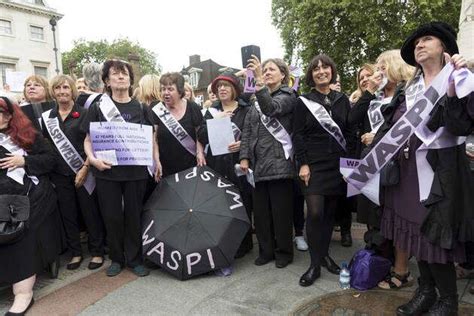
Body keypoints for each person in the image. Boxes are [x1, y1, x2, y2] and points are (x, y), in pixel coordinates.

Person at [368, 22, 473, 315]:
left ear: (444, 48)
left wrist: (453, 94)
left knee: (435, 236)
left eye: (428, 39)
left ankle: (448, 300)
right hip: (406, 173)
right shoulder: (409, 89)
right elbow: (391, 128)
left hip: (442, 174)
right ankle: (426, 292)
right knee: (414, 234)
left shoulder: (460, 79)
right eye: (416, 42)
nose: (420, 45)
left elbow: (463, 125)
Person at [82, 59, 158, 277]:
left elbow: (151, 137)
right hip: (107, 171)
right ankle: (117, 258)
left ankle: (134, 259)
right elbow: (87, 140)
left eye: (125, 73)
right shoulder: (98, 107)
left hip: (136, 172)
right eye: (115, 74)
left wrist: (156, 160)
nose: (121, 77)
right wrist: (92, 160)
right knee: (112, 216)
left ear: (130, 79)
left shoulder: (141, 107)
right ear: (106, 80)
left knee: (134, 215)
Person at [351, 50, 416, 290]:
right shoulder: (373, 96)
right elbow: (352, 119)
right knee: (374, 216)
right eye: (376, 67)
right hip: (372, 163)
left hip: (398, 165)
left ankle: (400, 268)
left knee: (397, 217)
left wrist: (377, 137)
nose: (377, 72)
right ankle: (379, 262)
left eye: (382, 67)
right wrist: (368, 92)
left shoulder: (410, 92)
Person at [293, 54, 356, 286]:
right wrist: (303, 163)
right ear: (311, 74)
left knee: (330, 214)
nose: (321, 71)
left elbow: (348, 132)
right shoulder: (304, 101)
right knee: (316, 212)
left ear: (332, 71)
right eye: (316, 69)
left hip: (336, 163)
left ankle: (325, 255)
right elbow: (298, 134)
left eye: (326, 67)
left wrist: (348, 165)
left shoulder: (342, 99)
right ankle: (314, 264)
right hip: (313, 162)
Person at [0, 96, 59, 315]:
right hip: (2, 197)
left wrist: (24, 161)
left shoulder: (28, 136)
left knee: (19, 231)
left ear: (9, 115)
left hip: (29, 195)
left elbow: (50, 160)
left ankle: (23, 293)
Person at [240, 56, 296, 268]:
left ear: (283, 75)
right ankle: (266, 250)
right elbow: (247, 130)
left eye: (272, 69)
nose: (267, 72)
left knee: (281, 213)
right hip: (257, 165)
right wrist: (244, 156)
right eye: (265, 70)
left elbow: (271, 109)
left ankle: (284, 252)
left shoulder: (288, 95)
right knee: (261, 214)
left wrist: (259, 85)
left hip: (279, 163)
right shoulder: (255, 101)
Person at [45, 75, 105, 270]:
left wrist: (86, 167)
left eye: (65, 87)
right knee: (68, 214)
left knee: (90, 213)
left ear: (72, 90)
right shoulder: (48, 118)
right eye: (58, 88)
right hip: (59, 174)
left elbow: (94, 143)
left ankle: (97, 252)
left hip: (84, 171)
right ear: (53, 92)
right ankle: (76, 253)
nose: (62, 91)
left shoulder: (85, 112)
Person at [198, 72, 253, 258]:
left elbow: (253, 134)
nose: (222, 89)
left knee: (242, 202)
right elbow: (202, 136)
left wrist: (243, 143)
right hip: (218, 164)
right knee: (223, 204)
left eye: (226, 85)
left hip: (239, 162)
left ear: (235, 89)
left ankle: (244, 243)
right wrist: (217, 120)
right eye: (219, 86)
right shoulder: (211, 111)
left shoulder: (246, 109)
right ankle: (225, 242)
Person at [150, 72, 205, 178]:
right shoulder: (157, 109)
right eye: (163, 89)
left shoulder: (193, 107)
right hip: (165, 166)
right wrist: (156, 161)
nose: (165, 93)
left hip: (190, 165)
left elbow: (199, 134)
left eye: (170, 89)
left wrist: (200, 152)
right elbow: (154, 139)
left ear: (180, 91)